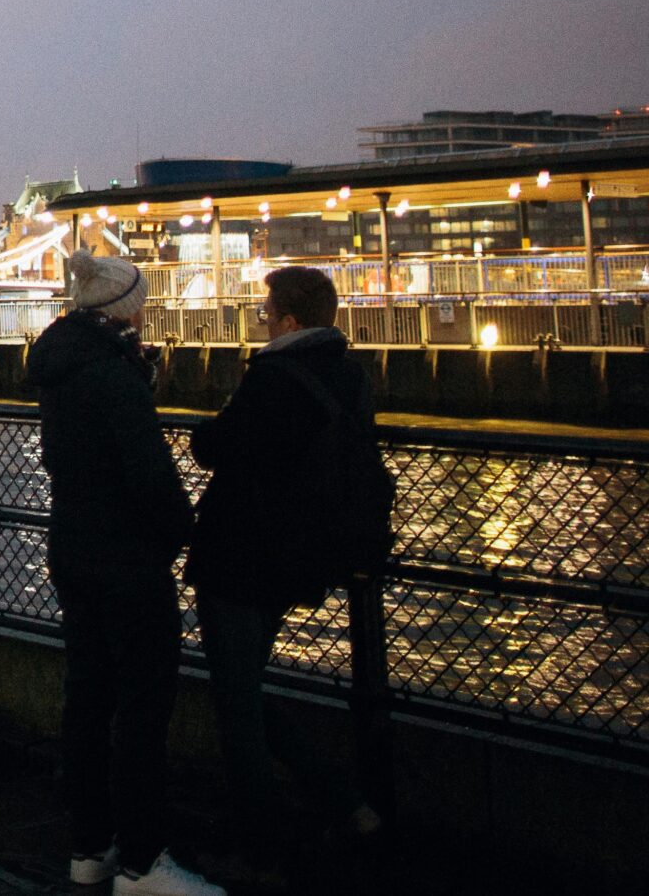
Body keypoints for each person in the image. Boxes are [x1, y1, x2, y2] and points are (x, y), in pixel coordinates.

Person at [28, 249, 219, 896]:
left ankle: (91, 848)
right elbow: (149, 476)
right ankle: (144, 862)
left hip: (73, 548)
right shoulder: (112, 375)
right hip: (127, 559)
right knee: (142, 708)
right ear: (124, 309)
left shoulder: (62, 364)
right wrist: (180, 535)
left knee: (86, 697)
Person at [188, 266, 389, 873]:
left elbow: (221, 448)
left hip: (241, 558)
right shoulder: (349, 376)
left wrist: (205, 431)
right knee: (244, 686)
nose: (262, 321)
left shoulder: (275, 378)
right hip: (300, 558)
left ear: (291, 322)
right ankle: (346, 804)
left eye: (267, 313)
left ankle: (264, 840)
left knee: (237, 705)